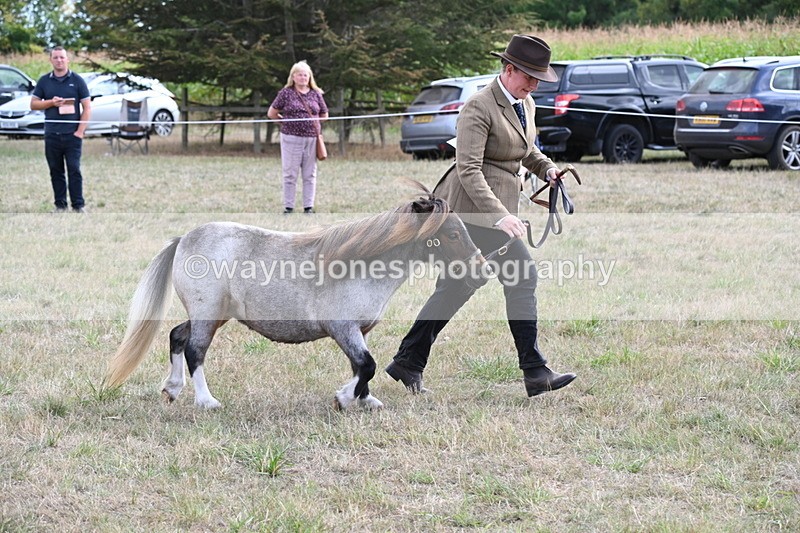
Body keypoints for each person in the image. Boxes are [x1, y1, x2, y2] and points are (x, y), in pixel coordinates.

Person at [385, 34, 577, 397]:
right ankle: (535, 372)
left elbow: (525, 149)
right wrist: (501, 216)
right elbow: (469, 169)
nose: (534, 84)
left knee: (458, 284)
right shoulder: (478, 106)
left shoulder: (526, 103)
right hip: (471, 213)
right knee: (523, 277)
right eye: (529, 77)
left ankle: (408, 360)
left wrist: (547, 169)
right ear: (508, 69)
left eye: (539, 78)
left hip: (495, 210)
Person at [30, 46, 91, 213]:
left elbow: (87, 108)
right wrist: (51, 102)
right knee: (56, 171)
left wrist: (80, 132)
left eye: (62, 57)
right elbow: (34, 104)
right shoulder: (44, 81)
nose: (59, 60)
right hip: (52, 135)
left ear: (67, 60)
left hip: (72, 136)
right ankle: (60, 206)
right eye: (56, 57)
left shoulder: (78, 80)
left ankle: (78, 206)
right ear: (51, 60)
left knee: (74, 170)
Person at [267, 61, 329, 214]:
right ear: (293, 76)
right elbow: (272, 113)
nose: (303, 78)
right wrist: (286, 123)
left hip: (311, 139)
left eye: (305, 75)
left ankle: (308, 207)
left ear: (310, 77)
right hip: (291, 138)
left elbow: (324, 115)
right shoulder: (286, 93)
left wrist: (312, 124)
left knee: (310, 173)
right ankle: (289, 207)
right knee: (290, 173)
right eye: (300, 74)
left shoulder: (316, 94)